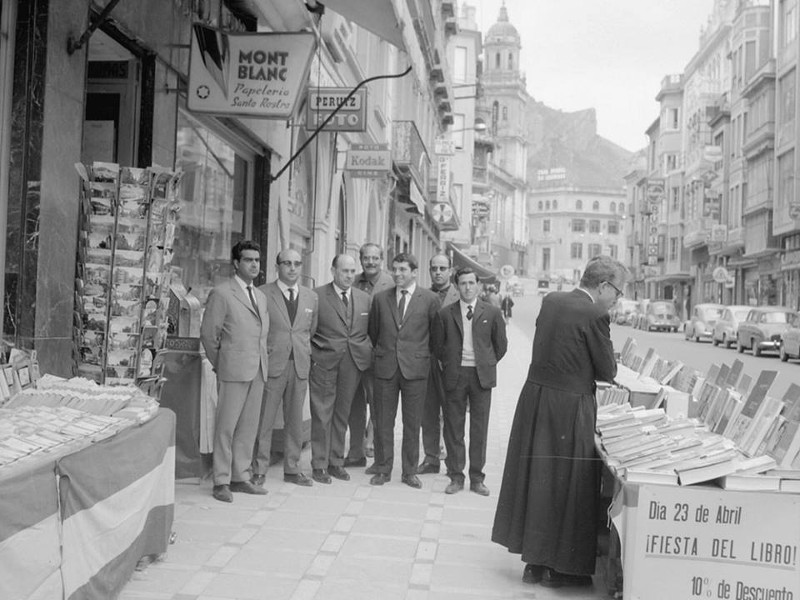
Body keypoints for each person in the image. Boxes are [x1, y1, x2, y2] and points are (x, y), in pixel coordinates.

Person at [491, 255, 627, 589]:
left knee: (537, 479)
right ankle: (564, 567)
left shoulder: (551, 301)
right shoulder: (596, 313)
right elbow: (607, 370)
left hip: (536, 399)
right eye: (618, 292)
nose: (617, 299)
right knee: (571, 483)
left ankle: (534, 562)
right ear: (604, 285)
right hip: (570, 405)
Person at [200, 240, 269, 503]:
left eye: (257, 260)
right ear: (236, 263)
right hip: (232, 369)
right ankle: (221, 480)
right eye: (249, 260)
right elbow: (209, 335)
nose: (254, 264)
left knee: (248, 428)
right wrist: (222, 364)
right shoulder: (222, 293)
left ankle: (241, 476)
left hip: (257, 370)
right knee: (226, 427)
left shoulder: (260, 296)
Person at [432, 267, 507, 496]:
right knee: (454, 428)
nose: (467, 287)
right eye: (463, 283)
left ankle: (477, 478)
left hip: (480, 377)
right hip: (455, 375)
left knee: (479, 428)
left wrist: (485, 362)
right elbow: (437, 346)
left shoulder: (492, 312)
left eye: (471, 283)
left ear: (479, 286)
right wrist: (451, 363)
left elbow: (501, 345)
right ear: (457, 286)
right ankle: (456, 476)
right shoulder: (446, 314)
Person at [368, 252, 440, 488]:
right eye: (395, 269)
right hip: (386, 367)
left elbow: (436, 337)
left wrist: (420, 356)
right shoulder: (380, 299)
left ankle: (409, 471)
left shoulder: (429, 299)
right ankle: (383, 468)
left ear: (414, 272)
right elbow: (374, 332)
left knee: (412, 422)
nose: (397, 274)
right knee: (383, 421)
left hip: (416, 370)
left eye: (403, 270)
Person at [252, 249, 318, 487]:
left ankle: (292, 468)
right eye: (287, 263)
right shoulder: (262, 294)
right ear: (277, 266)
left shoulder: (311, 297)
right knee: (265, 419)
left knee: (294, 421)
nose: (292, 268)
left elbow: (309, 330)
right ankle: (258, 468)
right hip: (272, 363)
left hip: (299, 364)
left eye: (297, 264)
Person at [308, 255, 373, 483]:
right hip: (325, 362)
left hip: (353, 364)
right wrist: (315, 356)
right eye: (344, 270)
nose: (348, 275)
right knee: (322, 414)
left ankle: (336, 461)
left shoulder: (364, 298)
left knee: (341, 415)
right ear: (333, 270)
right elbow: (309, 330)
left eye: (352, 271)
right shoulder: (316, 296)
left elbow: (369, 331)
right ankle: (319, 465)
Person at [345, 243, 395, 469]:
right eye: (366, 258)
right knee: (354, 405)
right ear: (360, 259)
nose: (371, 262)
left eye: (375, 258)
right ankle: (355, 453)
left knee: (378, 405)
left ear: (381, 260)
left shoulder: (392, 284)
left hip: (378, 355)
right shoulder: (351, 280)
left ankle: (377, 448)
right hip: (354, 354)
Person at [418, 253, 460, 475]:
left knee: (452, 415)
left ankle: (454, 464)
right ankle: (431, 458)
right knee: (428, 413)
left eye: (442, 268)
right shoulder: (422, 295)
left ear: (450, 271)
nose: (438, 272)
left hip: (451, 366)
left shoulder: (460, 295)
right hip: (427, 363)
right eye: (434, 268)